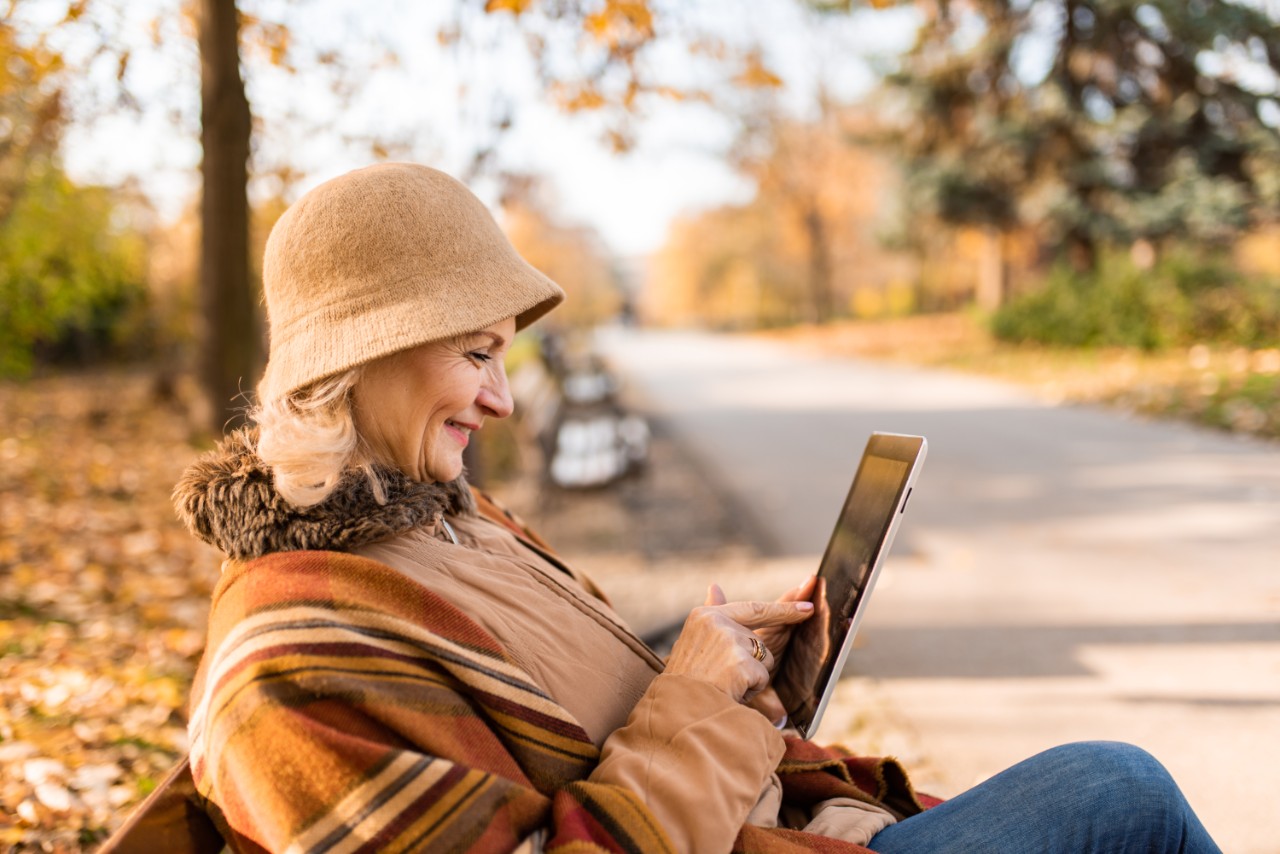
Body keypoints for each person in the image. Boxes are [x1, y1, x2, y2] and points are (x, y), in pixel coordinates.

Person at [174, 162, 1221, 853]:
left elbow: (610, 721)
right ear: (358, 362)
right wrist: (691, 702)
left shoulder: (444, 524)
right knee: (1113, 794)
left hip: (782, 821)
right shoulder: (288, 667)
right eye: (476, 354)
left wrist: (733, 668)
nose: (499, 397)